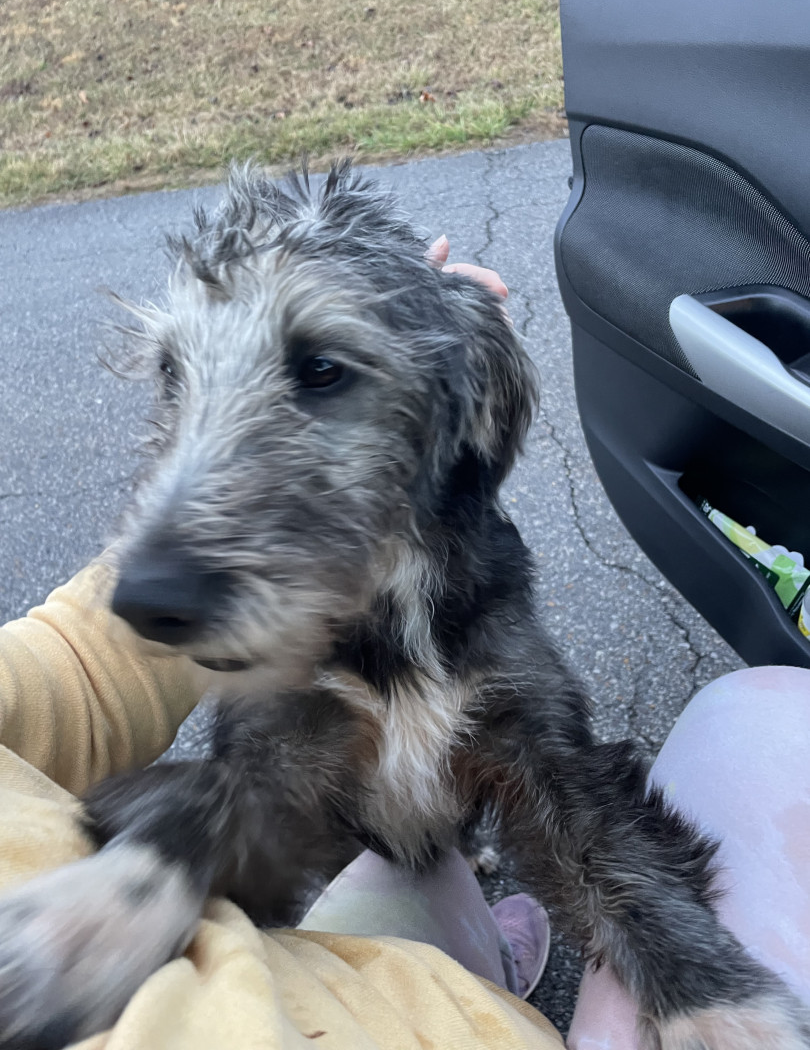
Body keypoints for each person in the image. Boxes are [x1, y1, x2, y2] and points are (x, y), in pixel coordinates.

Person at [0, 250, 808, 1049]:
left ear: (474, 397)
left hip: (353, 962)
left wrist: (693, 981)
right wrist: (159, 862)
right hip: (345, 1004)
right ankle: (477, 951)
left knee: (517, 809)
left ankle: (484, 939)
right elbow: (249, 800)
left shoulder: (477, 577)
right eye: (179, 375)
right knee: (767, 708)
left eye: (320, 372)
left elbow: (570, 795)